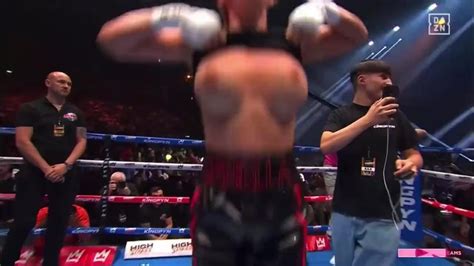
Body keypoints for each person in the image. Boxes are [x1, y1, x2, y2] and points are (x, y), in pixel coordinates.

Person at [97, 0, 368, 265]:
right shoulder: (203, 44)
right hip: (220, 188)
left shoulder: (293, 43)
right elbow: (113, 41)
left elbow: (356, 36)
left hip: (280, 185)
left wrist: (327, 9)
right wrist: (170, 14)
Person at [320, 60, 423, 266]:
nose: (389, 82)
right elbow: (327, 145)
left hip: (383, 212)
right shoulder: (341, 115)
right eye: (383, 76)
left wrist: (411, 164)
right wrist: (369, 119)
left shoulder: (396, 116)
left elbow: (414, 154)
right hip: (344, 211)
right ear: (362, 80)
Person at [1, 72, 87, 266]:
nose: (66, 86)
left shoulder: (76, 112)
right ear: (48, 83)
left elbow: (81, 141)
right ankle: (6, 261)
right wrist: (46, 168)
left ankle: (50, 263)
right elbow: (22, 141)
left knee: (58, 223)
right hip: (34, 171)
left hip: (65, 172)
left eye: (69, 83)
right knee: (23, 220)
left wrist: (66, 166)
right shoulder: (30, 108)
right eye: (61, 81)